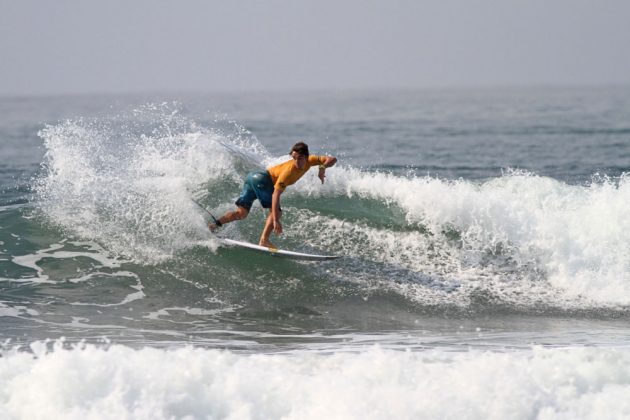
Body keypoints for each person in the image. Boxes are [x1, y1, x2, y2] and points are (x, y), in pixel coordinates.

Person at [209, 142, 337, 248]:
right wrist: (276, 220)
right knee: (277, 212)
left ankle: (214, 225)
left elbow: (332, 159)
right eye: (294, 158)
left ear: (306, 156)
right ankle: (264, 240)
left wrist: (322, 168)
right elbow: (276, 195)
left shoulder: (312, 160)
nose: (297, 161)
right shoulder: (288, 172)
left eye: (300, 158)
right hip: (262, 180)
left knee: (241, 213)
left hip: (252, 178)